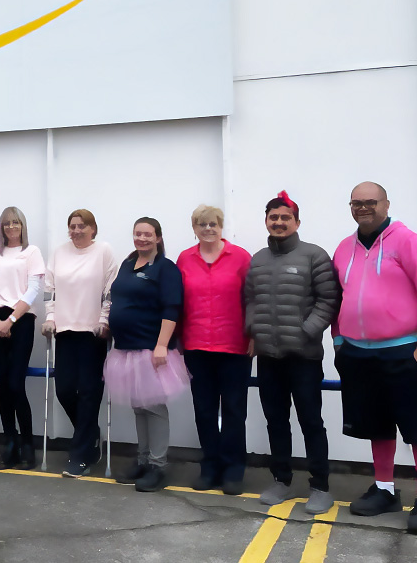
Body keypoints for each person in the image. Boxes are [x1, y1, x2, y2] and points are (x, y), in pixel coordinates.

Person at [333, 182, 417, 534]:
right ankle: (384, 489)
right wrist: (339, 341)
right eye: (357, 202)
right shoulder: (343, 249)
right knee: (375, 424)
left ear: (386, 204)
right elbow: (338, 297)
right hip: (358, 353)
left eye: (371, 202)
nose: (363, 208)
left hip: (404, 350)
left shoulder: (408, 242)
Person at [245, 191, 340, 515]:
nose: (279, 222)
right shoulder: (257, 259)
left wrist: (305, 331)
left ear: (297, 222)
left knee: (311, 422)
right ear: (267, 222)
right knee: (276, 421)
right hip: (269, 357)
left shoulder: (314, 256)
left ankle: (321, 486)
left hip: (304, 357)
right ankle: (280, 479)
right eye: (274, 217)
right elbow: (250, 300)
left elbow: (329, 300)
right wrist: (253, 331)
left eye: (286, 217)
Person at [105, 218, 189, 493]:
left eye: (148, 234)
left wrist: (162, 345)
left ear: (158, 238)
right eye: (138, 234)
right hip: (125, 348)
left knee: (153, 407)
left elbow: (171, 308)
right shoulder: (128, 265)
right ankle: (142, 459)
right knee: (139, 406)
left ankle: (158, 464)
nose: (142, 238)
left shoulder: (166, 269)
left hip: (151, 349)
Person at [176, 204, 252, 495]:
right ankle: (210, 466)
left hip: (234, 346)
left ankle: (233, 469)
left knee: (234, 410)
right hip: (196, 346)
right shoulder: (184, 259)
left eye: (213, 224)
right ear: (194, 228)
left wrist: (253, 334)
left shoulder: (241, 257)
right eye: (202, 224)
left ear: (222, 227)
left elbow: (252, 298)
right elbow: (178, 301)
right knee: (204, 410)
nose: (208, 229)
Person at [43, 209, 118, 478]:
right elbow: (49, 288)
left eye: (81, 226)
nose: (76, 231)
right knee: (64, 390)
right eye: (72, 226)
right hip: (64, 330)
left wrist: (104, 319)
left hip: (92, 333)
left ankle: (81, 453)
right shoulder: (59, 252)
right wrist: (50, 317)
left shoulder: (104, 251)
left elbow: (110, 290)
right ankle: (90, 434)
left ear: (93, 228)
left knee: (88, 392)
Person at [0, 206, 46, 470]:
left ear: (22, 226)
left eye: (15, 223)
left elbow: (33, 290)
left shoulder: (31, 252)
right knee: (1, 385)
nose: (10, 227)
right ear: (1, 228)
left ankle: (28, 443)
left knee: (16, 384)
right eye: (6, 224)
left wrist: (11, 321)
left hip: (21, 322)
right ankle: (10, 443)